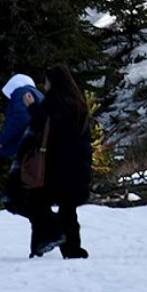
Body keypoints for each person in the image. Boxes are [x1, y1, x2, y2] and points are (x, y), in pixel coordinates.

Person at [19, 64, 94, 259]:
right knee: (68, 209)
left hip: (56, 165)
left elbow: (46, 127)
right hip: (78, 165)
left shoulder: (54, 102)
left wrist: (32, 107)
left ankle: (45, 241)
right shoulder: (79, 104)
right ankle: (72, 248)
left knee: (38, 203)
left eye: (46, 81)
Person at [0, 73, 40, 161]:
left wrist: (1, 142)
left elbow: (21, 119)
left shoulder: (22, 92)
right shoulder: (40, 96)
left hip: (29, 152)